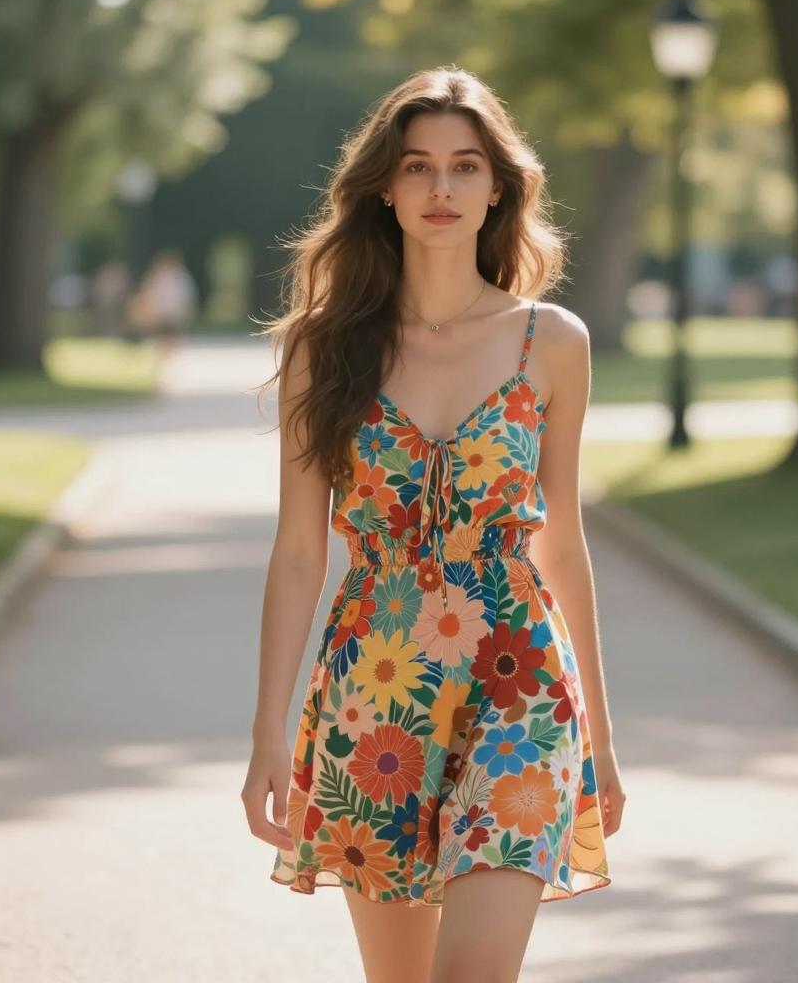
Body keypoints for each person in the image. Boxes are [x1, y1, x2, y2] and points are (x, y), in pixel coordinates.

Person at [244, 66, 626, 983]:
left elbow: (561, 542)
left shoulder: (554, 341)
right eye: (418, 167)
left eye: (465, 167)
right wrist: (268, 738)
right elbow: (299, 552)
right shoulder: (324, 345)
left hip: (521, 682)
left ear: (499, 186)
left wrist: (602, 741)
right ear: (385, 185)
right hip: (375, 691)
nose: (442, 188)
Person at [125, 249, 197, 355]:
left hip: (173, 314)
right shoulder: (155, 278)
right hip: (159, 313)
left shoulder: (182, 278)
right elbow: (146, 296)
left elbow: (186, 300)